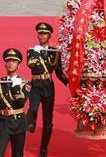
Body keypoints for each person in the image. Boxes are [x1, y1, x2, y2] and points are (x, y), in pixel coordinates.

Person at [25, 23, 67, 157]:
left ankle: (44, 148)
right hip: (36, 84)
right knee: (32, 108)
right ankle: (31, 122)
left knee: (48, 120)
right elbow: (31, 65)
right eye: (40, 33)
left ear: (49, 35)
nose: (42, 36)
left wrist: (69, 84)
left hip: (48, 86)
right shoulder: (32, 50)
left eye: (44, 33)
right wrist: (36, 52)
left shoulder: (54, 52)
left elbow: (59, 73)